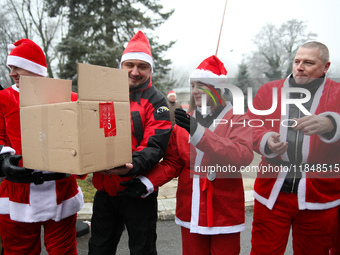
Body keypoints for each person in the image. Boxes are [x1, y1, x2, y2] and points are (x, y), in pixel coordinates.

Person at [119, 55, 254, 255]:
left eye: (203, 85)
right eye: (193, 86)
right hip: (191, 207)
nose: (196, 91)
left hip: (224, 209)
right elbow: (173, 162)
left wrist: (199, 132)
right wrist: (146, 182)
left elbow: (242, 155)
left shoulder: (237, 119)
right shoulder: (185, 123)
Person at [247, 41, 340, 255]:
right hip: (273, 191)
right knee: (263, 251)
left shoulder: (337, 93)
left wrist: (332, 124)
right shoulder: (268, 90)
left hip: (320, 194)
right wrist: (266, 139)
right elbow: (250, 125)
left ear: (326, 67)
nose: (300, 67)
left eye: (308, 62)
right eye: (297, 61)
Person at [88, 30, 172, 255]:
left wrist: (131, 166)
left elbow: (155, 145)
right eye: (129, 65)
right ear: (121, 67)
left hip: (137, 191)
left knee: (142, 250)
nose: (135, 72)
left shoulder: (157, 101)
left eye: (142, 67)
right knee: (98, 248)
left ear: (150, 69)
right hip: (105, 190)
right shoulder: (103, 95)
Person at [0, 39, 84, 254]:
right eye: (11, 68)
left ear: (33, 67)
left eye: (17, 67)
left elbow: (83, 138)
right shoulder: (3, 99)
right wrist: (4, 160)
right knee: (19, 251)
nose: (12, 73)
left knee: (63, 250)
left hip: (60, 189)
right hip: (18, 192)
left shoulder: (69, 97)